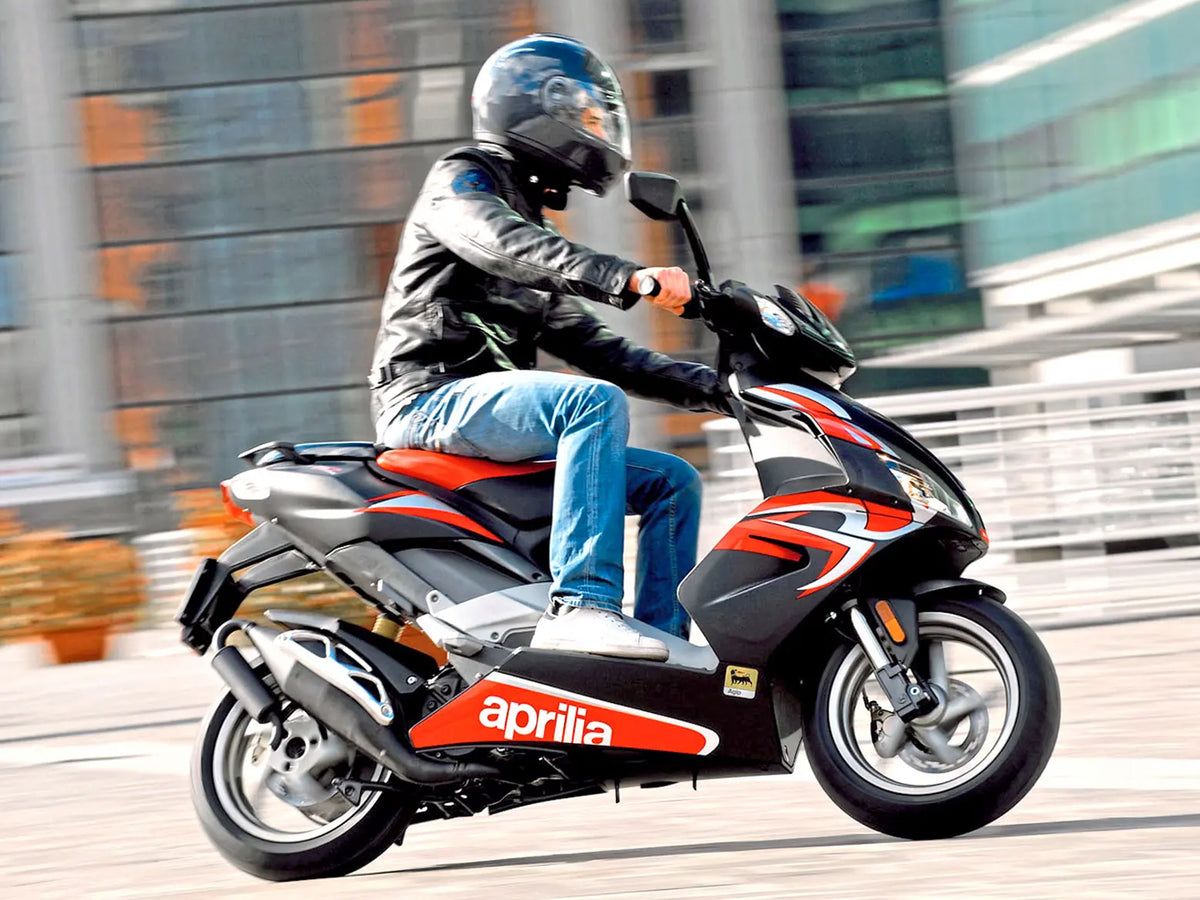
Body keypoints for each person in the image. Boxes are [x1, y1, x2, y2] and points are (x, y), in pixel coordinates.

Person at [369, 34, 729, 661]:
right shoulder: (463, 180)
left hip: (481, 415)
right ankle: (583, 606)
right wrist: (630, 277)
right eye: (585, 116)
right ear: (535, 109)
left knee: (672, 481)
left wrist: (725, 392)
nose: (597, 129)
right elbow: (496, 241)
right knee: (590, 404)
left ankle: (664, 653)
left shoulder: (533, 229)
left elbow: (602, 350)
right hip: (426, 398)